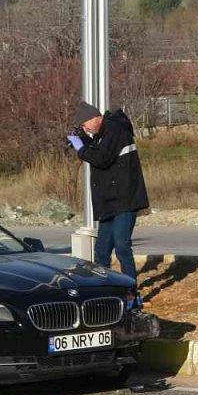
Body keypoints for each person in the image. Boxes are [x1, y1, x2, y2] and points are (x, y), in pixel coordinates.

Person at [68, 101, 150, 290]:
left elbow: (101, 159)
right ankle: (102, 290)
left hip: (124, 201)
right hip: (109, 202)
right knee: (102, 250)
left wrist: (81, 148)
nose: (84, 128)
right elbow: (100, 151)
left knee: (122, 247)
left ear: (94, 118)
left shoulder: (114, 130)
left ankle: (130, 292)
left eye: (84, 125)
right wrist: (84, 140)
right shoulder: (102, 134)